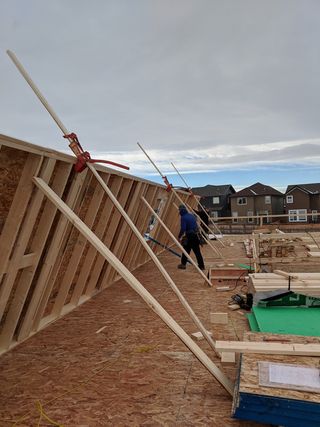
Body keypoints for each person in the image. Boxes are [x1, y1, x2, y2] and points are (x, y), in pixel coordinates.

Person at [177, 204, 205, 270]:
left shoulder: (183, 217)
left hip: (189, 236)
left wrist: (179, 236)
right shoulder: (191, 215)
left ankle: (183, 264)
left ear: (180, 210)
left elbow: (183, 228)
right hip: (195, 235)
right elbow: (196, 226)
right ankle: (202, 266)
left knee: (186, 250)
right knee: (197, 251)